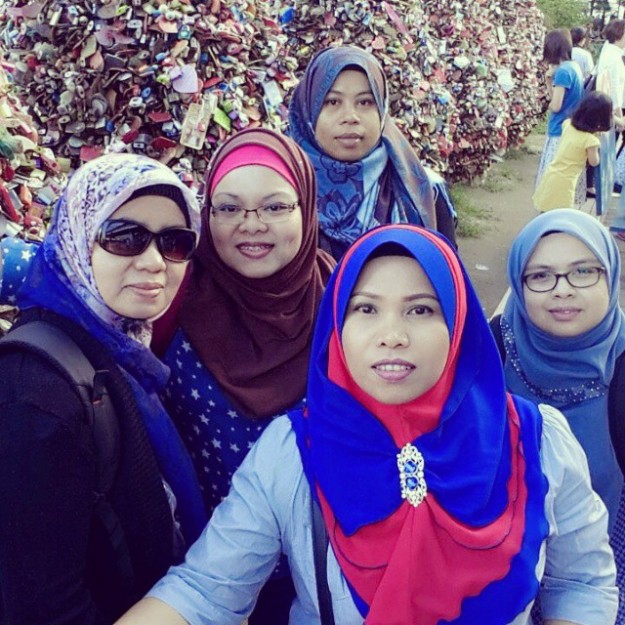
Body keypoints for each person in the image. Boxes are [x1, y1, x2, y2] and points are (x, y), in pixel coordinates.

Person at [116, 224, 617, 625]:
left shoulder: (535, 439)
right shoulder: (295, 451)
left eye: (421, 309)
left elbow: (580, 582)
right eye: (366, 308)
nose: (392, 335)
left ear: (458, 324)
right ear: (337, 326)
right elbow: (206, 590)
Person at [0, 153, 206, 624]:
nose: (154, 262)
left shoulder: (124, 351)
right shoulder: (35, 391)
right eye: (125, 237)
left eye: (175, 242)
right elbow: (43, 606)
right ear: (77, 239)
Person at [154, 127, 336, 624]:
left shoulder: (344, 301)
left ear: (306, 208)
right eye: (229, 208)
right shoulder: (170, 295)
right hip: (195, 569)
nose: (251, 226)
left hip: (321, 569)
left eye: (275, 207)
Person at [492, 209, 625, 622]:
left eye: (583, 271)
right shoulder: (485, 354)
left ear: (611, 277)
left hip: (601, 565)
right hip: (492, 568)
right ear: (518, 284)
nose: (562, 290)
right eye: (541, 276)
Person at [288, 45, 457, 261]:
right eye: (332, 102)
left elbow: (444, 274)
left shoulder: (425, 192)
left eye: (365, 102)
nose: (350, 117)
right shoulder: (279, 191)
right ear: (308, 111)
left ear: (382, 110)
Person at [533, 92, 612, 211]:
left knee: (546, 211)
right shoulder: (591, 141)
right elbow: (594, 162)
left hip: (551, 175)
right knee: (561, 213)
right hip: (565, 182)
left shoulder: (567, 124)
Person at [536, 30, 584, 191]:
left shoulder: (563, 72)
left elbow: (556, 105)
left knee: (551, 184)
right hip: (570, 128)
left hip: (559, 130)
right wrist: (549, 82)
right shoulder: (574, 67)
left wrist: (547, 102)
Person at [595, 19, 625, 132]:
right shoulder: (614, 59)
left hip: (606, 109)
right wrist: (620, 118)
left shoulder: (609, 52)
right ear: (619, 34)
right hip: (610, 112)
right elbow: (614, 90)